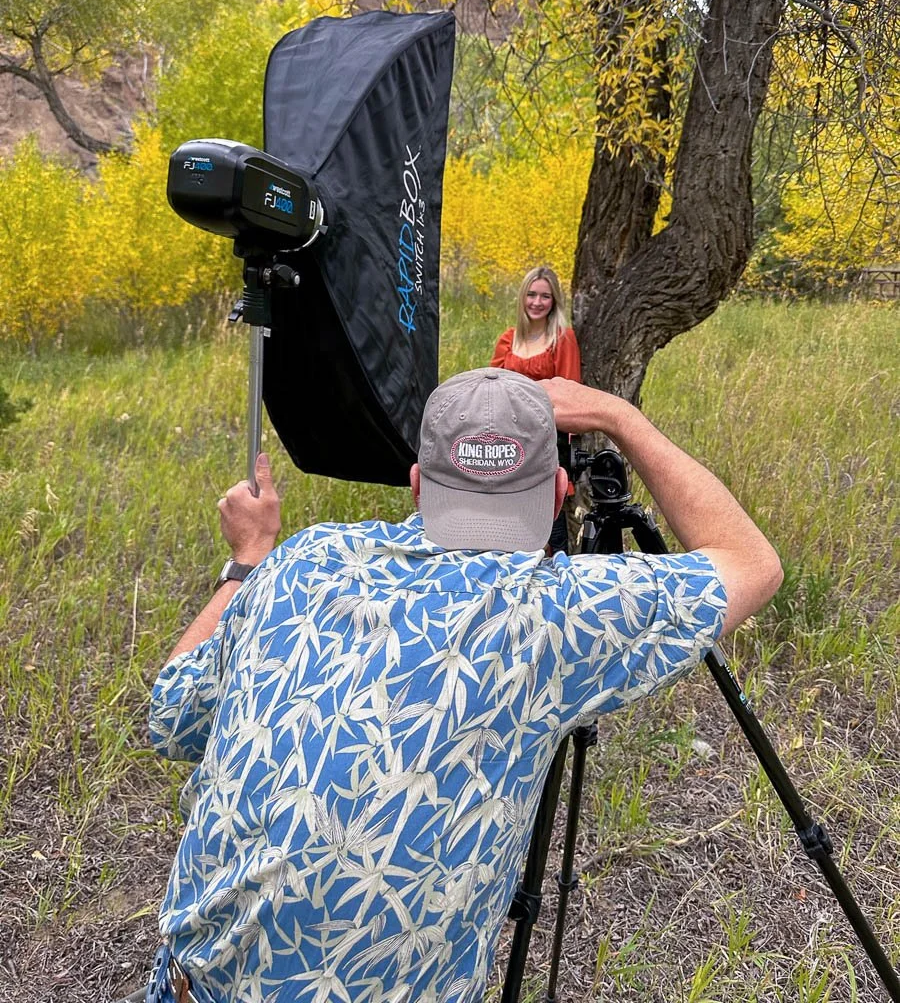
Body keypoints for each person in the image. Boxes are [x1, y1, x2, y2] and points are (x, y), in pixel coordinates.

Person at [142, 368, 782, 1003]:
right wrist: (618, 416)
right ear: (560, 492)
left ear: (418, 485)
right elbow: (752, 562)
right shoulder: (551, 615)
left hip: (187, 985)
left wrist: (248, 561)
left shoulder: (305, 558)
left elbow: (171, 714)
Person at [490, 266, 581, 552]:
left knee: (549, 522)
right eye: (531, 295)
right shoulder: (509, 339)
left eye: (545, 296)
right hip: (506, 440)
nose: (537, 302)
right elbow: (490, 387)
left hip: (545, 441)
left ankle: (557, 577)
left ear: (554, 301)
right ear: (522, 297)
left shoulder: (562, 338)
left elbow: (569, 392)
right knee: (509, 520)